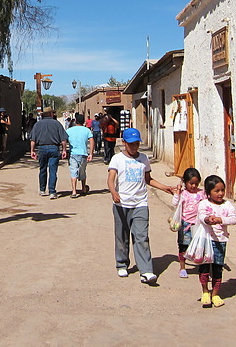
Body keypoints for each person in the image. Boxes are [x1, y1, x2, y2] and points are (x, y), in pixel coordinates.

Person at [108, 128, 176, 285]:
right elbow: (111, 179)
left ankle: (146, 270)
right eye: (131, 144)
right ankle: (122, 264)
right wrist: (113, 192)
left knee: (142, 237)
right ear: (124, 143)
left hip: (140, 203)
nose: (134, 147)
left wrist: (165, 188)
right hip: (121, 204)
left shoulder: (144, 159)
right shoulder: (117, 159)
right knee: (122, 236)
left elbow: (148, 179)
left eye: (137, 143)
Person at [197, 174, 236, 307]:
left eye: (222, 190)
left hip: (220, 241)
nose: (220, 193)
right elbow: (202, 216)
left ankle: (215, 293)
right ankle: (205, 291)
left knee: (218, 268)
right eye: (216, 191)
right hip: (205, 241)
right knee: (204, 267)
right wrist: (208, 219)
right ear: (208, 193)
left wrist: (221, 220)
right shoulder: (203, 204)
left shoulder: (227, 205)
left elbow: (233, 219)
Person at [172, 167, 205, 278]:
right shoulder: (183, 193)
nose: (194, 186)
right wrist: (177, 192)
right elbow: (174, 203)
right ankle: (182, 267)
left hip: (198, 225)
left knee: (199, 247)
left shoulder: (202, 193)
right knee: (183, 247)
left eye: (196, 183)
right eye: (191, 183)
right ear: (185, 182)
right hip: (185, 224)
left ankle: (202, 268)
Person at [29, 107, 68, 199]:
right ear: (51, 114)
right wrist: (64, 150)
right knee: (53, 170)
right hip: (54, 148)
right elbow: (63, 139)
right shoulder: (57, 124)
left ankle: (42, 189)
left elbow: (33, 139)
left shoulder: (37, 125)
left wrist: (32, 150)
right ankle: (52, 191)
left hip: (42, 148)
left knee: (42, 169)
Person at [66, 113, 94, 198]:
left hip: (73, 153)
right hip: (83, 153)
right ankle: (83, 188)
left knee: (73, 171)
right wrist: (91, 153)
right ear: (83, 121)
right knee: (82, 171)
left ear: (75, 121)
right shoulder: (87, 130)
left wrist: (65, 149)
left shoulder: (69, 130)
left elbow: (64, 140)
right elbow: (92, 141)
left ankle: (74, 191)